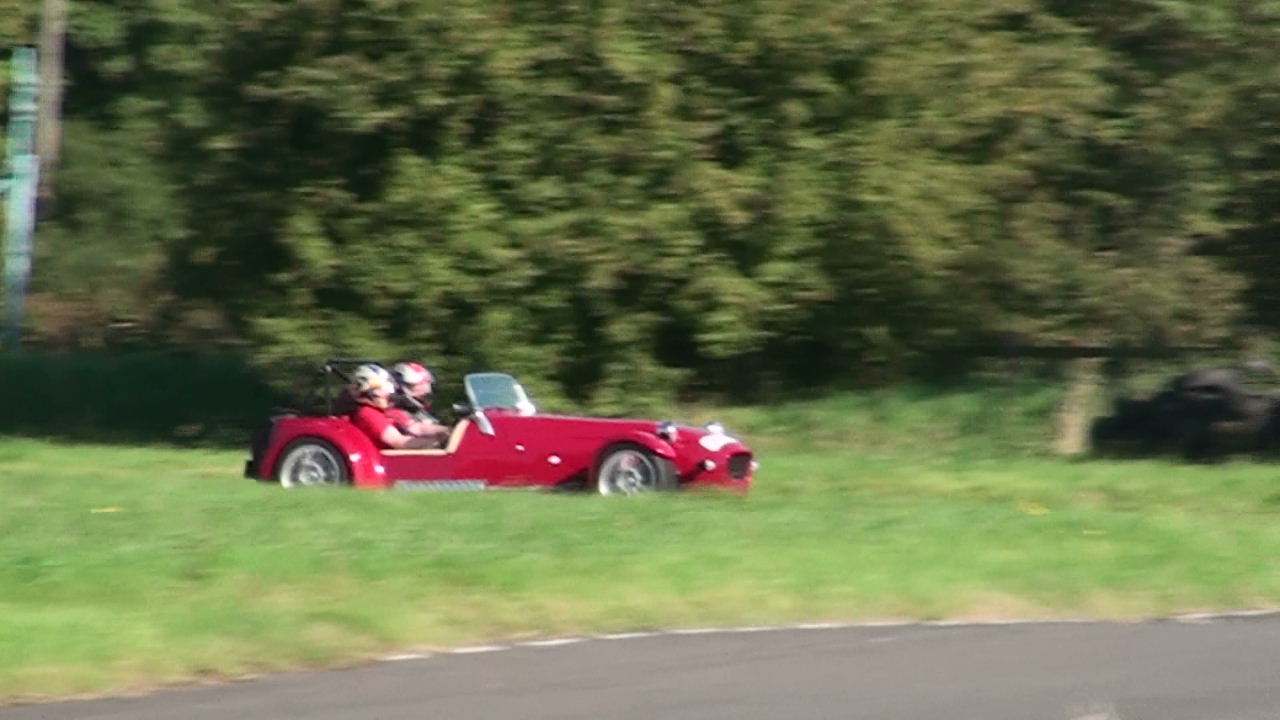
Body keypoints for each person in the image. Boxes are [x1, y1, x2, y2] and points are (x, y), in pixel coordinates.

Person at [347, 364, 440, 450]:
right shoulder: (367, 414)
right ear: (366, 391)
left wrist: (447, 432)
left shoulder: (390, 411)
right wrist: (439, 443)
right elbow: (399, 442)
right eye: (380, 389)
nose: (389, 392)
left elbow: (417, 428)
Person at [389, 361, 451, 447]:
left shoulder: (421, 411)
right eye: (418, 385)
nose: (426, 389)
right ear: (401, 388)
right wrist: (448, 431)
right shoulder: (395, 412)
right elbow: (418, 429)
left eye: (426, 384)